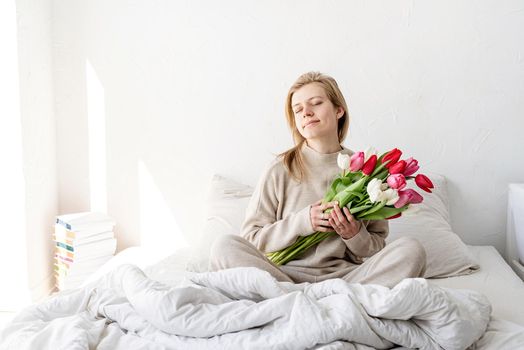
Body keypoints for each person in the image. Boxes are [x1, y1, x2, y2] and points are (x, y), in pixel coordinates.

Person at [209, 71, 427, 288]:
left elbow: (376, 246)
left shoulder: (366, 170)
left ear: (339, 110)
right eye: (298, 110)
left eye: (316, 103)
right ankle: (304, 300)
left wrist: (354, 234)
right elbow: (252, 239)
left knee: (411, 250)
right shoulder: (279, 169)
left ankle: (307, 302)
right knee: (224, 246)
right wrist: (303, 221)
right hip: (283, 279)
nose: (306, 113)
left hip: (347, 279)